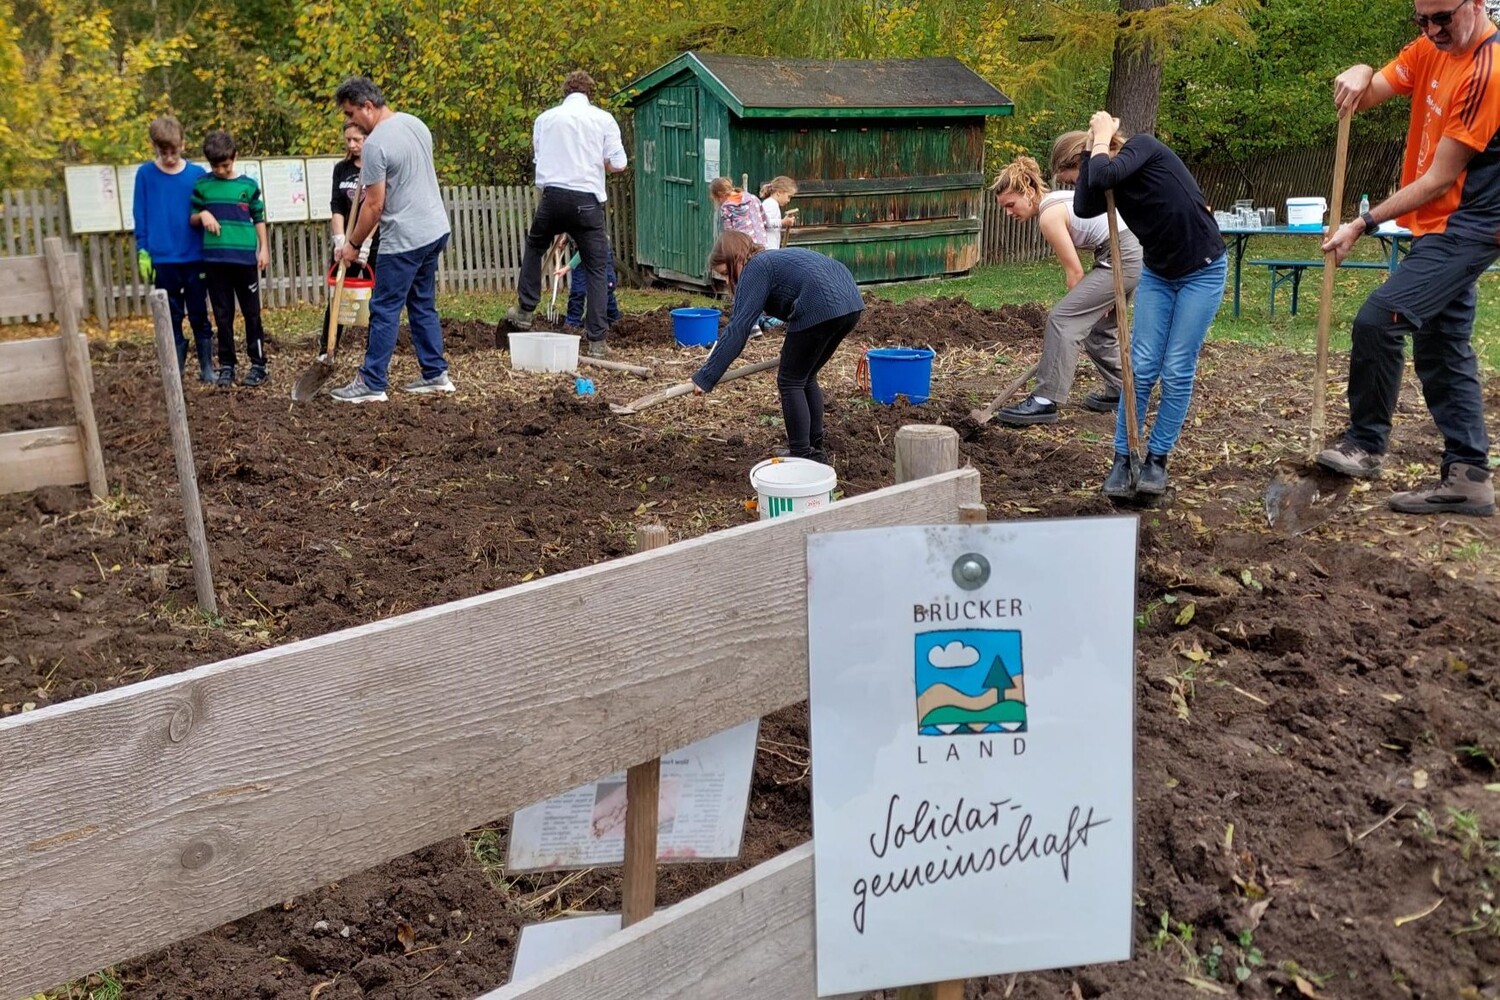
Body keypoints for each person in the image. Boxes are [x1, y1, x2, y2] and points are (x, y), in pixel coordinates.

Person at [1315, 0, 1500, 517]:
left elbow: (1440, 177)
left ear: (1477, 5)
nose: (1432, 29)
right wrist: (1360, 71)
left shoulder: (1490, 72)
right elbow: (1369, 93)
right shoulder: (1429, 49)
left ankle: (1366, 444)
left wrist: (1363, 222)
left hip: (1469, 227)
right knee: (1442, 347)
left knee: (1379, 319)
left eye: (1443, 17)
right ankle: (1469, 479)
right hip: (1438, 224)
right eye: (1422, 19)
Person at [1061, 116, 1227, 500]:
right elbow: (1086, 206)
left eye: (1071, 173)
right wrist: (1091, 151)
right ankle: (1123, 457)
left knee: (1177, 367)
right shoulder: (1107, 176)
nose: (1076, 182)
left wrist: (1100, 136)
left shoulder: (1145, 148)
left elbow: (1103, 173)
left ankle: (1157, 459)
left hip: (1202, 272)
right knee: (1142, 365)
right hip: (1159, 274)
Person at [990, 155, 1141, 426]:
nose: (1009, 213)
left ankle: (1045, 401)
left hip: (1121, 253)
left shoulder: (1048, 215)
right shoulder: (1057, 200)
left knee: (1063, 320)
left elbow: (1075, 273)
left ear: (1030, 191)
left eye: (1011, 204)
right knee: (1099, 329)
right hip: (1129, 249)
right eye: (1004, 208)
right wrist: (1096, 298)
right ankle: (1126, 390)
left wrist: (1088, 300)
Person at [331, 76, 454, 403]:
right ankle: (435, 373)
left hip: (406, 239)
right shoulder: (415, 123)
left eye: (350, 114)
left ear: (367, 107)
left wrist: (353, 245)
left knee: (385, 308)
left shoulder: (376, 144)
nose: (349, 122)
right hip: (435, 229)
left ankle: (371, 381)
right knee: (421, 302)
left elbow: (374, 206)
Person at [691, 232, 863, 462]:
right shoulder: (771, 261)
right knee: (805, 376)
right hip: (850, 302)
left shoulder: (756, 268)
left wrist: (706, 376)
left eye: (725, 274)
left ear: (736, 259)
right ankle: (814, 447)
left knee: (790, 380)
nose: (726, 281)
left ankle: (801, 454)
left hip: (820, 302)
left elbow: (739, 327)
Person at [503, 70, 628, 359]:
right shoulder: (603, 119)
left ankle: (524, 310)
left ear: (565, 92)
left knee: (535, 246)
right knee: (596, 268)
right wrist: (601, 164)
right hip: (587, 203)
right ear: (590, 93)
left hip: (553, 197)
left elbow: (540, 157)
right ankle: (596, 342)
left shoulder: (545, 120)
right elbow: (618, 164)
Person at [132, 116, 216, 381]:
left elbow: (207, 211)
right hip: (162, 257)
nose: (169, 157)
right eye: (162, 152)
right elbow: (141, 214)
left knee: (199, 313)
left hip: (194, 256)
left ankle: (206, 368)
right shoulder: (145, 175)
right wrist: (143, 249)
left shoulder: (197, 175)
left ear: (183, 144)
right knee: (171, 315)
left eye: (173, 150)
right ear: (154, 147)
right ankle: (175, 370)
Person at [190, 130, 270, 388]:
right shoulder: (203, 185)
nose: (221, 171)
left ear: (234, 157)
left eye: (225, 165)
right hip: (215, 262)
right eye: (216, 166)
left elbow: (259, 218)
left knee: (252, 313)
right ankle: (227, 365)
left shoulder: (248, 186)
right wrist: (202, 215)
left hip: (244, 261)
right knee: (223, 315)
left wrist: (264, 249)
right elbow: (192, 217)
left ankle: (258, 364)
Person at [323, 119, 379, 354]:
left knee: (375, 301)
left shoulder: (376, 168)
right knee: (338, 297)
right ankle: (327, 349)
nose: (353, 144)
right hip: (345, 242)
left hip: (372, 243)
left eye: (358, 139)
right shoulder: (342, 169)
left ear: (369, 139)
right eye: (348, 140)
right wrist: (340, 241)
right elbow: (336, 206)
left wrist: (364, 244)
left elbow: (378, 208)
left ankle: (373, 353)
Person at [557, 237, 621, 330]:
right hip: (581, 252)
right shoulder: (568, 222)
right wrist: (566, 239)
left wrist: (567, 268)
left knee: (606, 289)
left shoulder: (585, 223)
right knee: (578, 291)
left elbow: (586, 248)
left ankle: (614, 320)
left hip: (600, 250)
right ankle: (572, 323)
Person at [710, 177, 768, 246]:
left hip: (743, 246)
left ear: (720, 194)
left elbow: (729, 233)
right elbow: (764, 219)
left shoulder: (726, 207)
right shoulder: (753, 198)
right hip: (761, 242)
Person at [759, 175, 798, 250]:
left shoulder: (772, 204)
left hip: (771, 247)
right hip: (767, 248)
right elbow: (764, 222)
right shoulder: (770, 204)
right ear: (779, 192)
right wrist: (783, 222)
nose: (788, 200)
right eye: (788, 196)